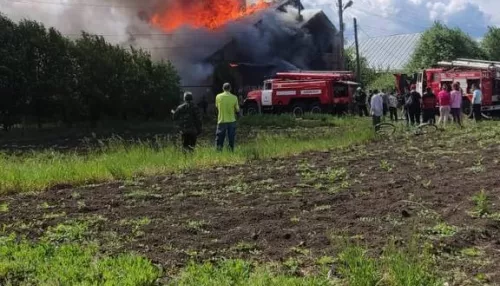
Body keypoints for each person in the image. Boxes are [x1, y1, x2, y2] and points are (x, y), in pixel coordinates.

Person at [215, 83, 240, 151]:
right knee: (231, 138)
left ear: (223, 88)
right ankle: (230, 152)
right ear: (230, 88)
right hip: (232, 121)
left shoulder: (218, 96)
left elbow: (217, 107)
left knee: (220, 138)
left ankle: (219, 152)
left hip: (221, 120)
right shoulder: (234, 97)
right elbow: (237, 110)